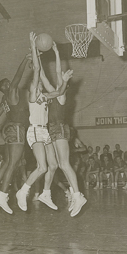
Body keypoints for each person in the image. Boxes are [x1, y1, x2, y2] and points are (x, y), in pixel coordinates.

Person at [16, 32, 74, 213]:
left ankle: (45, 194)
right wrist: (33, 48)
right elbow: (38, 73)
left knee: (54, 165)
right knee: (42, 167)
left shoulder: (46, 96)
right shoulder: (33, 96)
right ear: (32, 88)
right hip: (34, 131)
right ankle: (22, 191)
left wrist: (64, 82)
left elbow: (58, 92)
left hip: (46, 132)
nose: (39, 84)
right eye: (36, 84)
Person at [41, 41, 87, 216]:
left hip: (60, 129)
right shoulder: (53, 95)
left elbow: (60, 77)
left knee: (64, 163)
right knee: (53, 165)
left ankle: (77, 195)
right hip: (51, 131)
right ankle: (46, 193)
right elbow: (46, 77)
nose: (57, 83)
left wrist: (59, 57)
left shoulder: (61, 97)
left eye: (62, 83)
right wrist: (46, 57)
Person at [0, 52, 32, 214]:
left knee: (7, 163)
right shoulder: (11, 94)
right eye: (7, 83)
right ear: (5, 87)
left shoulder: (4, 100)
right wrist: (25, 59)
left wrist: (2, 129)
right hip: (17, 129)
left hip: (11, 130)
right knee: (13, 164)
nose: (10, 83)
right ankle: (2, 196)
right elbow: (18, 76)